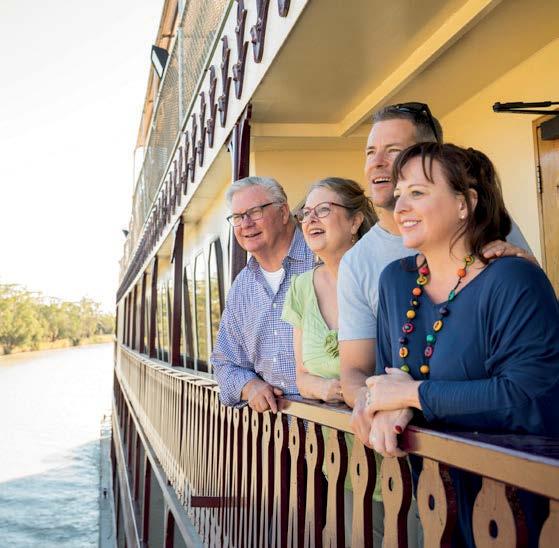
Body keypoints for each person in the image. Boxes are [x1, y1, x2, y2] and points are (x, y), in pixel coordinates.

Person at [366, 142, 559, 546]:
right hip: (435, 497)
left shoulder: (513, 280)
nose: (400, 206)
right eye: (399, 193)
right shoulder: (395, 281)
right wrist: (387, 407)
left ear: (465, 203)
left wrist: (414, 395)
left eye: (417, 192)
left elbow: (527, 397)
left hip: (520, 501)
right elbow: (387, 380)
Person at [338, 102, 535, 447]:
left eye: (393, 150)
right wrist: (379, 403)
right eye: (370, 151)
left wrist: (411, 395)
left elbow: (529, 388)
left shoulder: (506, 267)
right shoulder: (390, 279)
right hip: (417, 465)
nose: (378, 162)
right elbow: (374, 375)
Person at [281, 177, 378, 546]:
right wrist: (329, 389)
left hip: (391, 444)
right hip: (337, 455)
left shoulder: (384, 275)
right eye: (306, 213)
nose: (310, 220)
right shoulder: (301, 288)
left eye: (323, 210)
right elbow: (301, 375)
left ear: (355, 221)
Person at [211, 176, 314, 411]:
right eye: (238, 217)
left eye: (255, 212)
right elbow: (224, 363)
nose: (246, 224)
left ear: (283, 212)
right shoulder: (242, 287)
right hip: (275, 430)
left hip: (338, 426)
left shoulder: (321, 258)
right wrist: (249, 386)